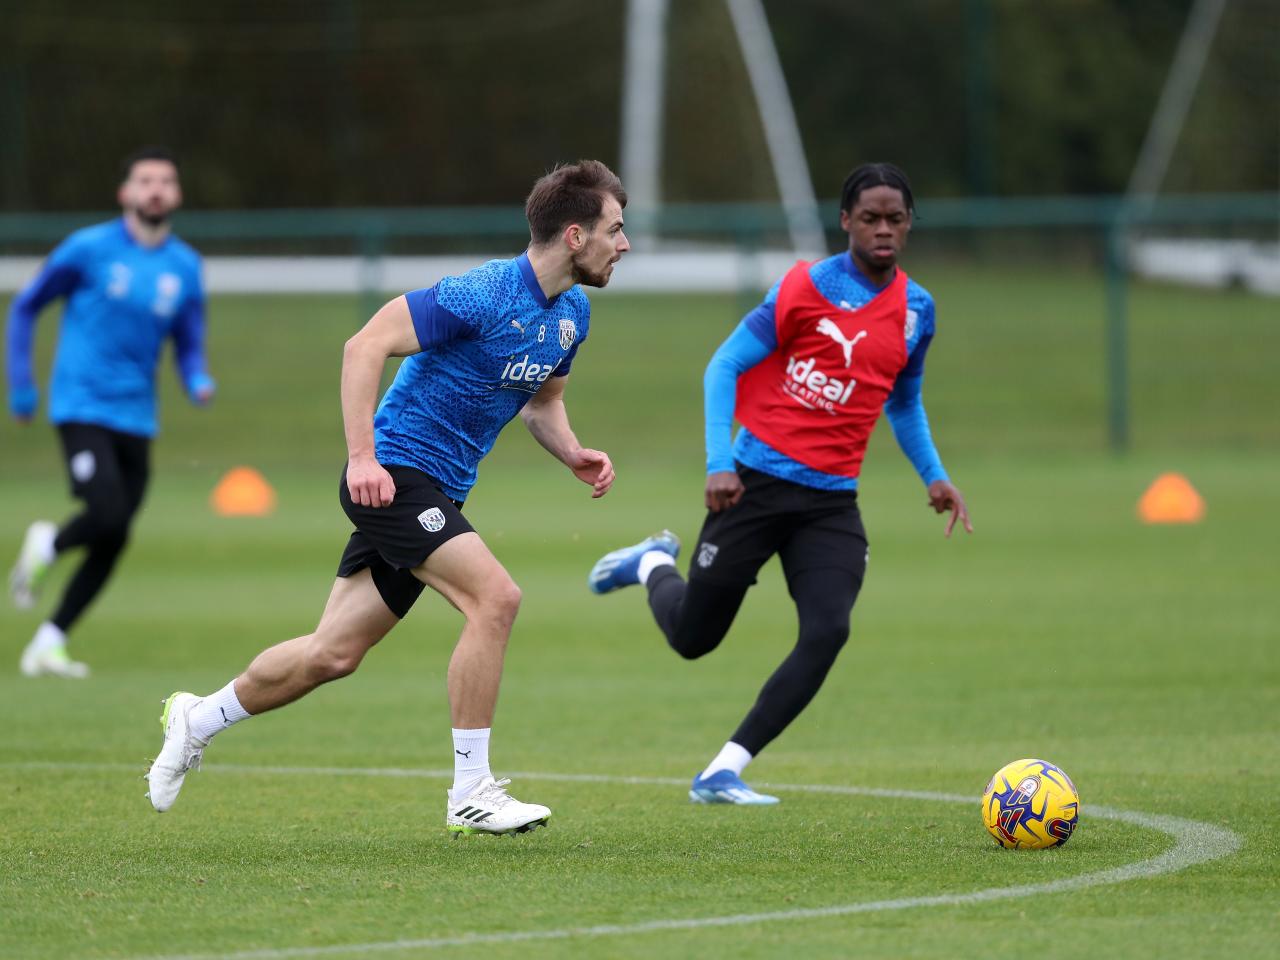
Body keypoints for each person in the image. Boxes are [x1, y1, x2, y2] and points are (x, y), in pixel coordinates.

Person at [145, 160, 629, 836]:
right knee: (497, 598)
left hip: (437, 490)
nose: (625, 244)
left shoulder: (571, 314)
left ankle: (196, 718)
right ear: (576, 235)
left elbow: (541, 404)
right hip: (393, 474)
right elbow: (363, 345)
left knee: (331, 654)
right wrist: (362, 457)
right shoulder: (483, 293)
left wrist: (572, 450)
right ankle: (471, 791)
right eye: (616, 229)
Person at [588, 162, 972, 805]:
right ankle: (653, 562)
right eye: (870, 217)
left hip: (830, 505)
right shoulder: (805, 288)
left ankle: (723, 770)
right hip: (755, 487)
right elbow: (725, 365)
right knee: (693, 640)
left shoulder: (917, 311)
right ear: (845, 220)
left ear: (909, 226)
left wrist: (935, 476)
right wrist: (720, 463)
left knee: (828, 631)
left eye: (895, 219)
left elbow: (902, 402)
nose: (883, 229)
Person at [7, 145, 214, 679]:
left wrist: (195, 377)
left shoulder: (185, 267)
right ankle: (48, 543)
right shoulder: (88, 248)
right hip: (81, 404)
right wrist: (22, 384)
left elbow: (187, 339)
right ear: (126, 192)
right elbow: (26, 306)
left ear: (177, 194)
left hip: (137, 417)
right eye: (145, 180)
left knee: (115, 535)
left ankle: (49, 643)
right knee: (107, 515)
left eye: (165, 181)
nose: (155, 189)